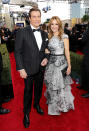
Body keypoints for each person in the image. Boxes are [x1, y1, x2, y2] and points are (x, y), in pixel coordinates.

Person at [14, 8, 48, 128]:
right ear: (29, 18)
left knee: (39, 89)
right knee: (28, 92)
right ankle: (26, 114)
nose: (37, 19)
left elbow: (45, 50)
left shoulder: (44, 33)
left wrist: (46, 58)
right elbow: (17, 52)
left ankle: (37, 105)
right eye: (34, 16)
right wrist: (20, 68)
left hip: (40, 69)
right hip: (27, 70)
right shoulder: (22, 32)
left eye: (38, 16)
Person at [44, 16, 74, 115]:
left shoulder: (64, 36)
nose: (54, 26)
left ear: (59, 25)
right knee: (52, 85)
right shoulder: (48, 36)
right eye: (52, 24)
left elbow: (66, 51)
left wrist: (69, 65)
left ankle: (62, 105)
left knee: (61, 86)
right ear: (50, 25)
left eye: (56, 24)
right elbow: (48, 50)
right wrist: (47, 51)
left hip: (61, 64)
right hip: (51, 64)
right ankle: (54, 103)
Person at [77, 21, 89, 98]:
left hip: (88, 53)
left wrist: (83, 36)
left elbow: (84, 39)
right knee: (84, 70)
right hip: (86, 52)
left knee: (87, 71)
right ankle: (84, 86)